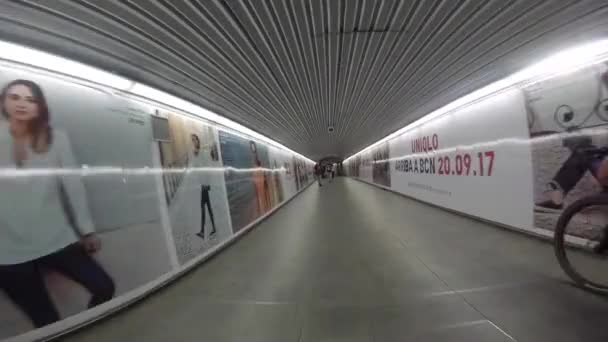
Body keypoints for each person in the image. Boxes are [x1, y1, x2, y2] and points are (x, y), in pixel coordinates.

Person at [0, 79, 115, 328]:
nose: (22, 104)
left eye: (30, 100)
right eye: (15, 97)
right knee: (47, 321)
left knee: (104, 287)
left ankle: (86, 327)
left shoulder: (56, 138)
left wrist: (87, 230)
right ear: (4, 102)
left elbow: (73, 185)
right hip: (7, 250)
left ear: (40, 107)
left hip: (56, 238)